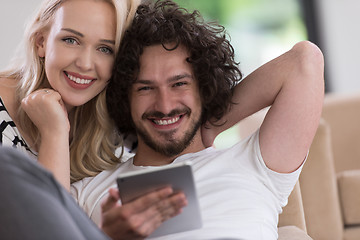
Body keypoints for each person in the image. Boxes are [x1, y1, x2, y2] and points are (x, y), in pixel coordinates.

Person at [71, 0, 324, 239]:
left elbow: (304, 60)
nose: (165, 106)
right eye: (145, 88)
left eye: (179, 84)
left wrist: (212, 124)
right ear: (125, 98)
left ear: (204, 87)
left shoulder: (256, 164)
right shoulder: (89, 192)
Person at [0, 0, 188, 239]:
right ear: (41, 42)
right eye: (71, 40)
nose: (85, 64)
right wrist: (55, 133)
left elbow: (203, 121)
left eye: (105, 49)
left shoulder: (113, 114)